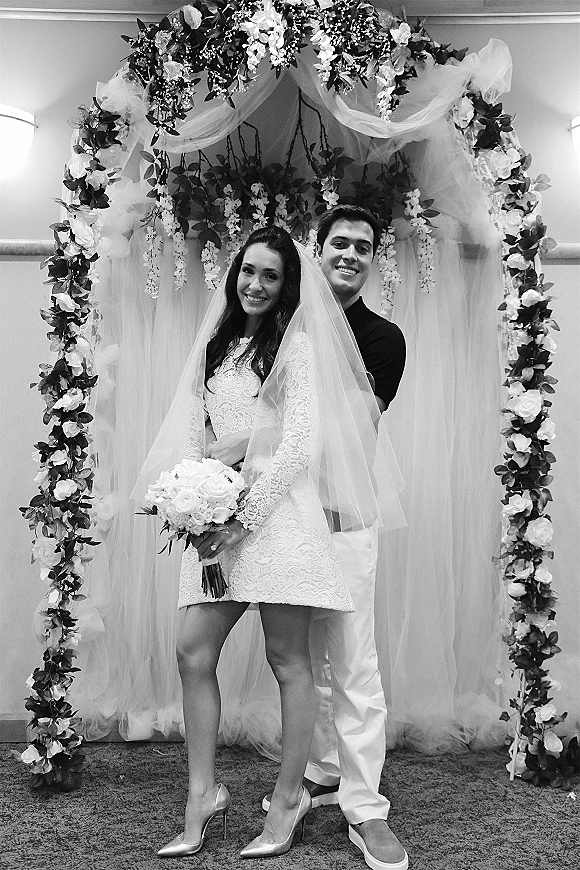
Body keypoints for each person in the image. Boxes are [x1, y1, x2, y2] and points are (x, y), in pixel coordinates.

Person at [137, 225, 390, 859]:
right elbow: (197, 432)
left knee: (290, 661)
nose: (255, 284)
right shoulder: (214, 346)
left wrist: (241, 516)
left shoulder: (298, 348)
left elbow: (300, 446)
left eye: (270, 276)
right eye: (248, 271)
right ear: (235, 273)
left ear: (287, 286)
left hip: (277, 518)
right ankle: (202, 794)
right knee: (193, 652)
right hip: (216, 518)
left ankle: (287, 799)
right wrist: (195, 502)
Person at [264, 205, 408, 870]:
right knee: (302, 664)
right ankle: (322, 766)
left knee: (354, 667)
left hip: (344, 518)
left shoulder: (382, 338)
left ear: (373, 258)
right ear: (315, 251)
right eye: (339, 243)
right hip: (280, 521)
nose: (350, 254)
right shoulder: (275, 324)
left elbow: (345, 432)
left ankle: (366, 811)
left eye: (363, 246)